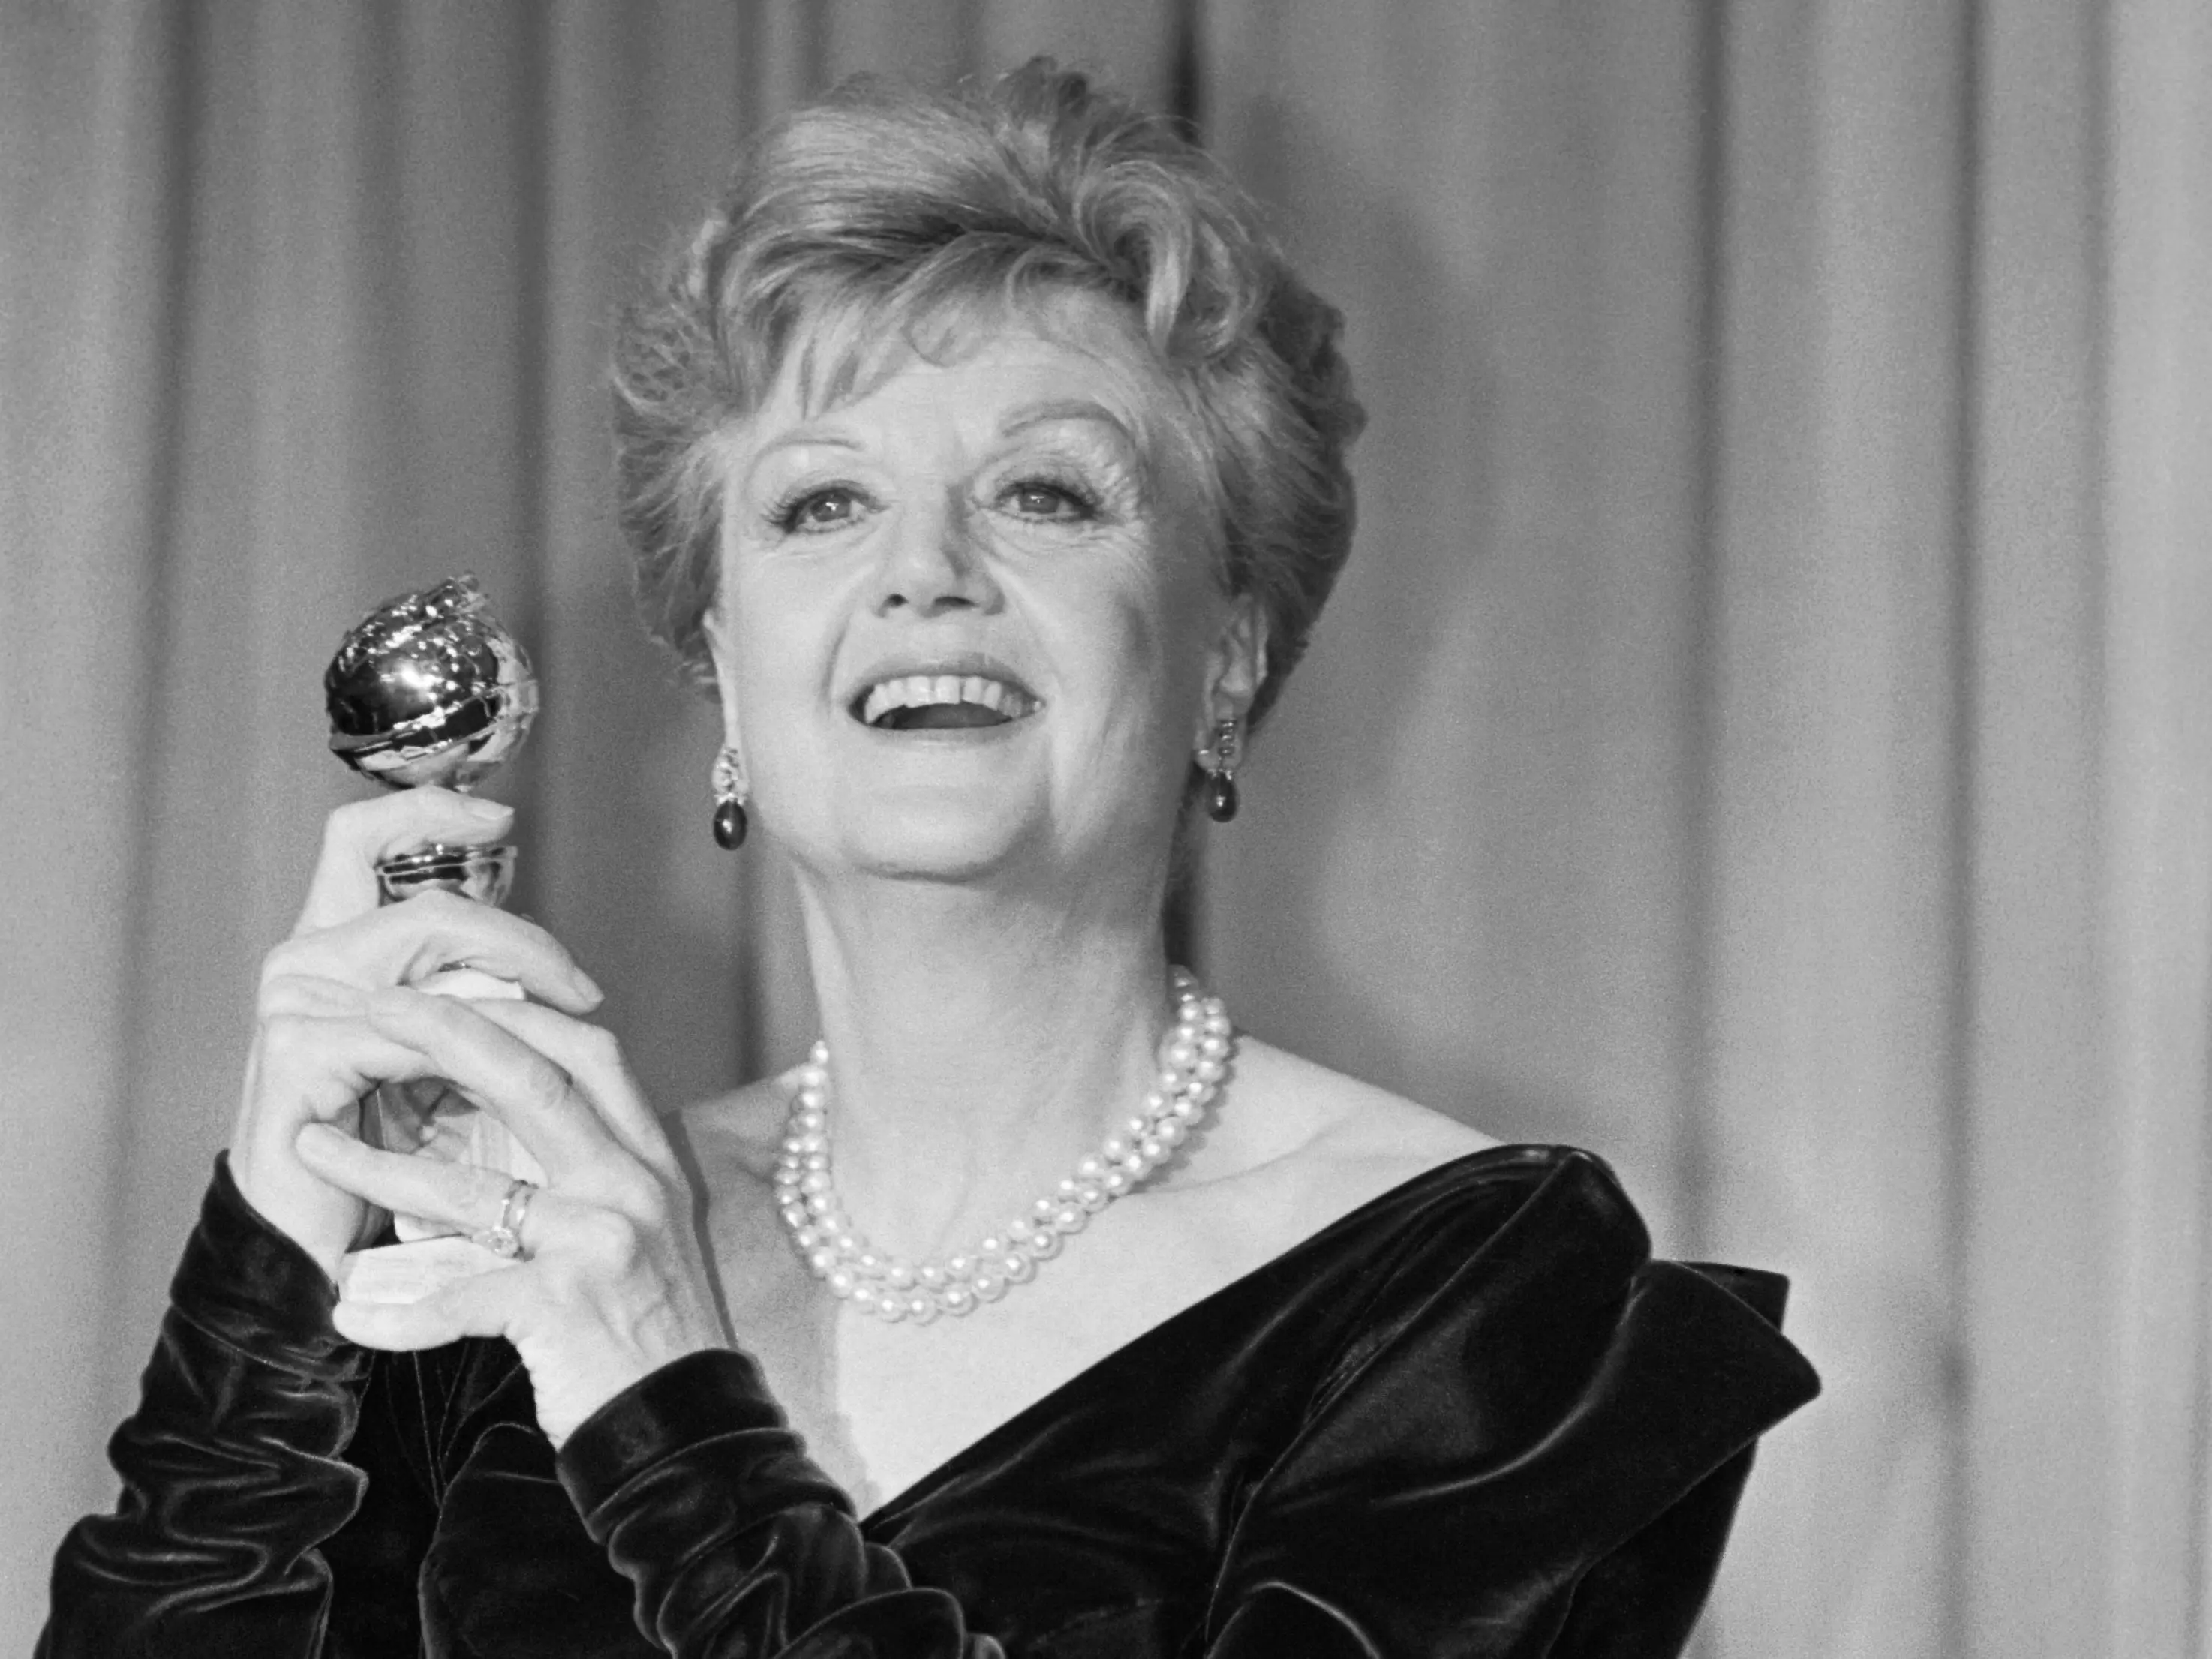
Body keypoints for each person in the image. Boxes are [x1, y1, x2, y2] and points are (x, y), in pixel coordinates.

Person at [44, 61, 1817, 1657]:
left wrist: (665, 1402)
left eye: (1046, 494)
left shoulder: (1483, 1315)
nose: (925, 573)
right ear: (722, 666)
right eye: (822, 504)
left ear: (1224, 656)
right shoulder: (534, 1244)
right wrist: (279, 1243)